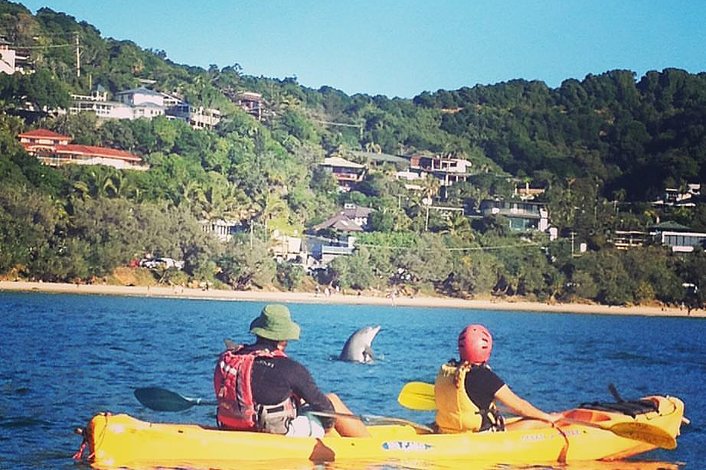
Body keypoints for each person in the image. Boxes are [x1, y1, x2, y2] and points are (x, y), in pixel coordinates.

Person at [214, 304, 370, 437]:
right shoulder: (290, 368)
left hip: (231, 423)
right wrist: (327, 429)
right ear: (283, 340)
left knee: (302, 401)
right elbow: (326, 410)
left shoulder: (236, 357)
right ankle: (367, 444)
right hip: (272, 430)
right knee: (332, 401)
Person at [434, 324, 558, 433]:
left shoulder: (448, 371)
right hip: (479, 435)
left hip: (448, 430)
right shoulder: (485, 377)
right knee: (541, 423)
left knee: (515, 419)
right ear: (486, 350)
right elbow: (520, 407)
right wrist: (548, 417)